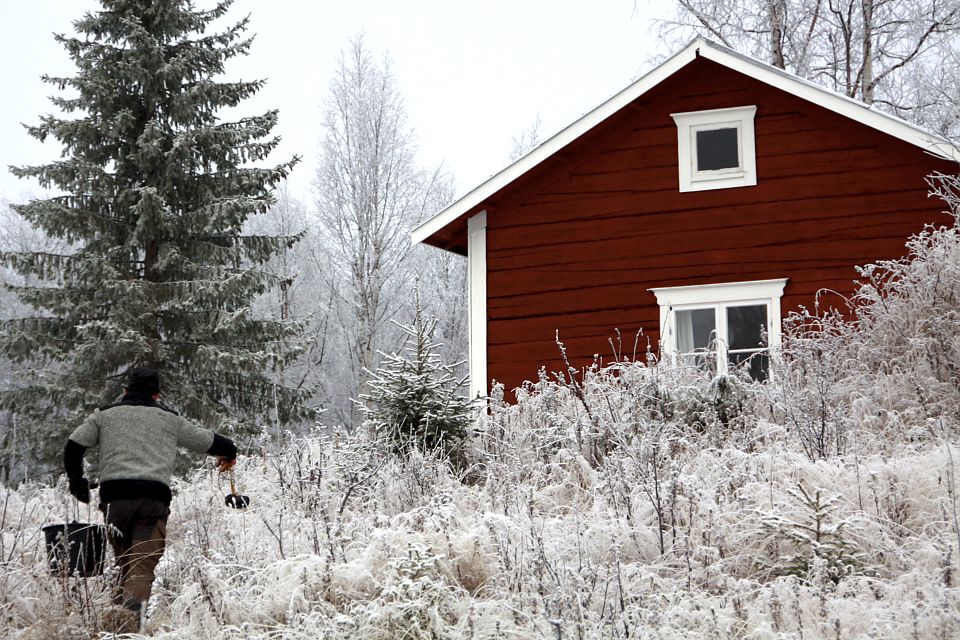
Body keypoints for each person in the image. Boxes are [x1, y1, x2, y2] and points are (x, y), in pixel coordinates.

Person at [64, 367, 237, 632]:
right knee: (141, 567)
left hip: (115, 503)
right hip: (151, 503)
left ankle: (115, 629)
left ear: (125, 391)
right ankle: (130, 629)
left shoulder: (104, 415)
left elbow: (74, 445)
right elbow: (207, 440)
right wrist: (229, 451)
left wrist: (77, 482)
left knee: (125, 565)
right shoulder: (168, 419)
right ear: (156, 395)